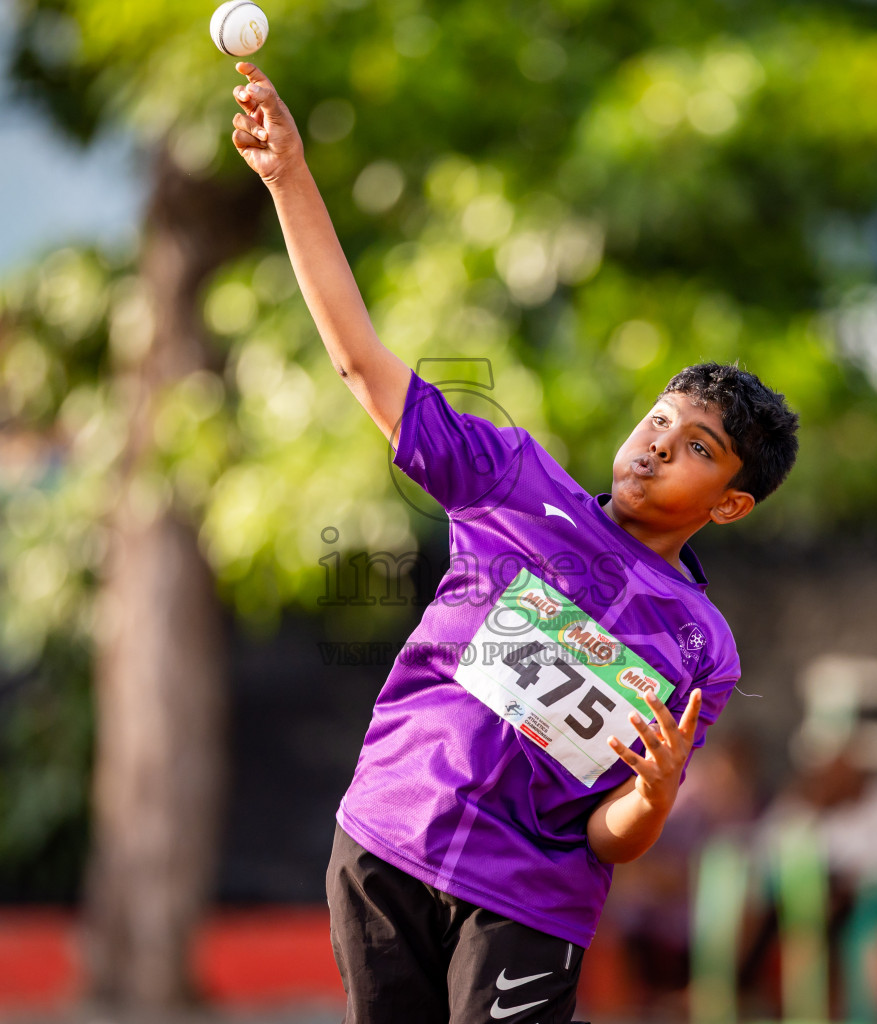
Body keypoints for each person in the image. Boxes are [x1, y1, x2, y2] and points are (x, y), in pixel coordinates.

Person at [228, 61, 800, 1024]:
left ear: (731, 504)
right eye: (661, 419)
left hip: (526, 906)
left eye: (697, 446)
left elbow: (613, 837)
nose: (659, 443)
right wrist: (288, 175)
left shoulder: (701, 646)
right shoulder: (512, 486)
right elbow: (361, 363)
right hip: (384, 846)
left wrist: (655, 796)